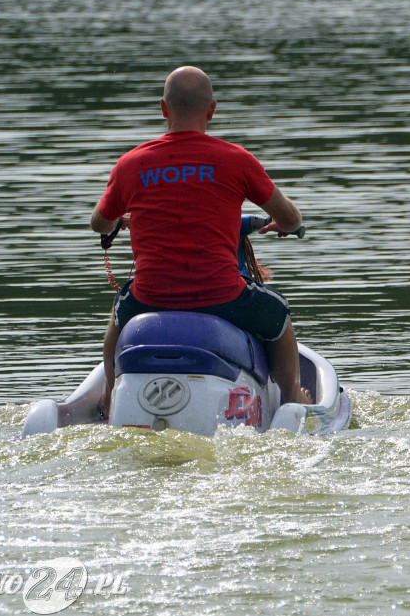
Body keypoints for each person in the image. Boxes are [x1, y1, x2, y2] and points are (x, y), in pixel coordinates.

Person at [90, 65, 311, 416]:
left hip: (150, 299)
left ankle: (108, 397)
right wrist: (282, 225)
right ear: (212, 110)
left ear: (163, 108)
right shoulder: (236, 160)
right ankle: (292, 400)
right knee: (279, 316)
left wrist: (125, 219)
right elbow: (292, 217)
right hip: (223, 297)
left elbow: (100, 223)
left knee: (117, 317)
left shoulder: (131, 164)